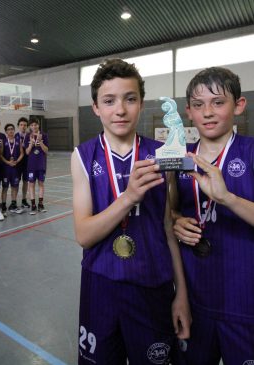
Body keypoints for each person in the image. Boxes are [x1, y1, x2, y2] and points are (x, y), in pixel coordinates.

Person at [71, 59, 190, 364]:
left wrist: (182, 294)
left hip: (153, 285)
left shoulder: (164, 155)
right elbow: (84, 235)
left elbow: (168, 228)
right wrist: (129, 197)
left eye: (130, 99)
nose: (120, 110)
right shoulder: (82, 156)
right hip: (101, 285)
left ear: (142, 104)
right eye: (109, 101)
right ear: (95, 107)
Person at [170, 67, 254, 364]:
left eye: (218, 102)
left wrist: (227, 199)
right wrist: (177, 220)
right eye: (198, 104)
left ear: (239, 106)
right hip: (194, 299)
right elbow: (171, 212)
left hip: (244, 302)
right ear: (188, 112)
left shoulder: (252, 152)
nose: (207, 112)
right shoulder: (179, 160)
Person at [24, 117, 48, 215]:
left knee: (41, 184)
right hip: (31, 166)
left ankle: (41, 204)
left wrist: (40, 141)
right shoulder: (27, 136)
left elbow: (46, 150)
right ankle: (33, 205)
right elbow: (27, 152)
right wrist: (31, 144)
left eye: (36, 125)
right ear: (30, 126)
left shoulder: (44, 135)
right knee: (31, 184)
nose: (34, 127)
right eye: (32, 125)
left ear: (38, 125)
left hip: (41, 165)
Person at [0, 123, 24, 214]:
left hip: (15, 168)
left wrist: (16, 161)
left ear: (14, 130)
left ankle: (13, 205)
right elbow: (0, 155)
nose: (11, 131)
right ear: (6, 131)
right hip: (6, 168)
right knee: (5, 187)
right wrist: (8, 162)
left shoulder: (19, 141)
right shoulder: (3, 141)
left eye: (12, 129)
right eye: (9, 129)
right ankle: (3, 206)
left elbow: (22, 153)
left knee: (15, 186)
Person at [15, 117, 31, 209]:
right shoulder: (15, 136)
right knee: (16, 183)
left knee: (25, 182)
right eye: (21, 125)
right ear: (18, 126)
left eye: (25, 125)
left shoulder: (30, 136)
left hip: (27, 163)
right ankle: (14, 201)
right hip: (17, 163)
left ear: (27, 126)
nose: (23, 127)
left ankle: (24, 200)